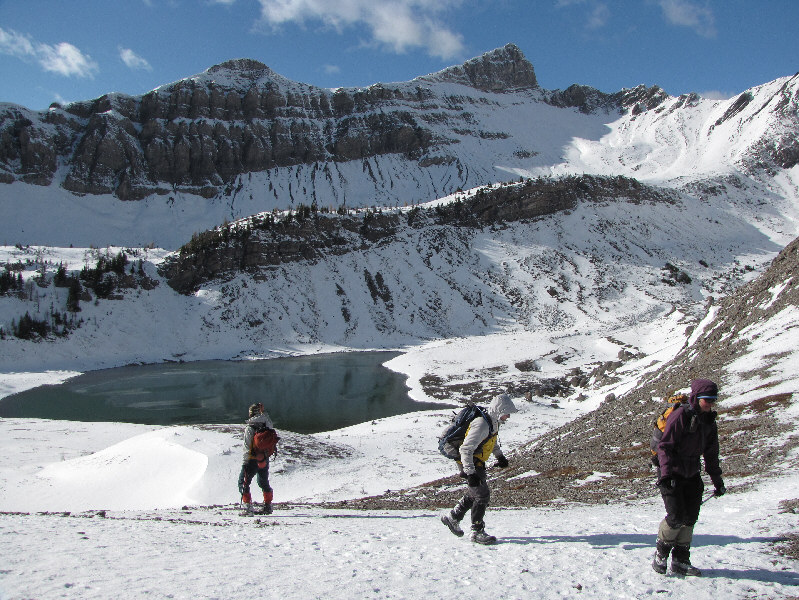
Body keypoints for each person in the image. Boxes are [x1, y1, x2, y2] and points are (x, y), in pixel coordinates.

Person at [652, 378, 725, 576]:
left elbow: (711, 454)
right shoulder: (681, 415)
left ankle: (681, 560)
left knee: (690, 518)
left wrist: (717, 481)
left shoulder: (709, 422)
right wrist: (666, 475)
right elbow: (665, 446)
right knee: (676, 517)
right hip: (672, 472)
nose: (710, 404)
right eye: (707, 399)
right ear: (697, 397)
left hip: (692, 472)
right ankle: (661, 554)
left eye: (713, 400)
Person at [440, 393, 517, 544]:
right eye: (506, 413)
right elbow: (465, 450)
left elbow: (491, 441)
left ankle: (453, 517)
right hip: (470, 461)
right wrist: (470, 473)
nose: (508, 416)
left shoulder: (492, 422)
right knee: (482, 495)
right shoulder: (482, 424)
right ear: (499, 410)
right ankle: (477, 531)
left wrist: (499, 456)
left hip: (477, 460)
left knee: (475, 493)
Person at [238, 402, 275, 515]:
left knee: (243, 483)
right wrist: (264, 412)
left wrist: (245, 462)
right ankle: (268, 506)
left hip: (252, 460)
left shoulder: (250, 428)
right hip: (264, 458)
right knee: (263, 482)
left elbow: (247, 446)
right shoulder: (266, 425)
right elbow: (269, 422)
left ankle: (248, 508)